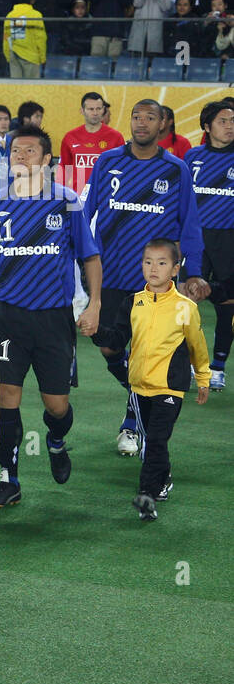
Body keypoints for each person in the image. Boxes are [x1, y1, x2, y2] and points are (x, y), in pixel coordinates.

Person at [0, 126, 102, 509]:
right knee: (5, 398)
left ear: (47, 160)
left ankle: (57, 440)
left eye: (30, 151)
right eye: (15, 150)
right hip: (6, 317)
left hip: (53, 318)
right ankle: (8, 478)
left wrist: (93, 304)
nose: (21, 156)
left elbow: (89, 257)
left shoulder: (67, 202)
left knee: (56, 404)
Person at [84, 100, 207, 457]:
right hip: (111, 273)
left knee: (145, 351)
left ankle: (131, 424)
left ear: (162, 124)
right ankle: (142, 399)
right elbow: (85, 210)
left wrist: (192, 272)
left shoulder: (176, 169)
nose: (141, 123)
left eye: (150, 118)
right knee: (108, 345)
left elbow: (190, 224)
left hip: (154, 281)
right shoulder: (107, 162)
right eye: (137, 117)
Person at [96, 239, 210, 522]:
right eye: (148, 262)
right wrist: (95, 330)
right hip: (139, 386)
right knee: (154, 440)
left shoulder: (186, 307)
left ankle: (146, 494)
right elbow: (117, 340)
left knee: (156, 439)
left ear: (175, 269)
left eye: (161, 263)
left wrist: (204, 377)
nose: (153, 268)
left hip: (171, 387)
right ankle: (164, 475)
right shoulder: (132, 302)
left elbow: (197, 345)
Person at [187, 100, 234, 390]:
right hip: (196, 239)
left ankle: (218, 366)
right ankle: (193, 363)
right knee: (188, 300)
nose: (230, 126)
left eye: (233, 121)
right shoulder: (192, 157)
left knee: (227, 304)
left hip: (229, 239)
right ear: (207, 126)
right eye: (223, 121)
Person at [59, 92, 125, 198]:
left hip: (105, 196)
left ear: (103, 110)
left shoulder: (115, 137)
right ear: (82, 111)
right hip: (77, 197)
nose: (95, 113)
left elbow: (122, 169)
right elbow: (64, 169)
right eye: (91, 109)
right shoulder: (70, 137)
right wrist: (60, 196)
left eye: (98, 109)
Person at [2, 0, 47, 78]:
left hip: (13, 54)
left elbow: (6, 37)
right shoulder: (36, 15)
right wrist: (42, 57)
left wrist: (7, 55)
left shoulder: (10, 15)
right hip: (31, 56)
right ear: (32, 1)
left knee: (16, 87)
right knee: (31, 88)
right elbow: (40, 37)